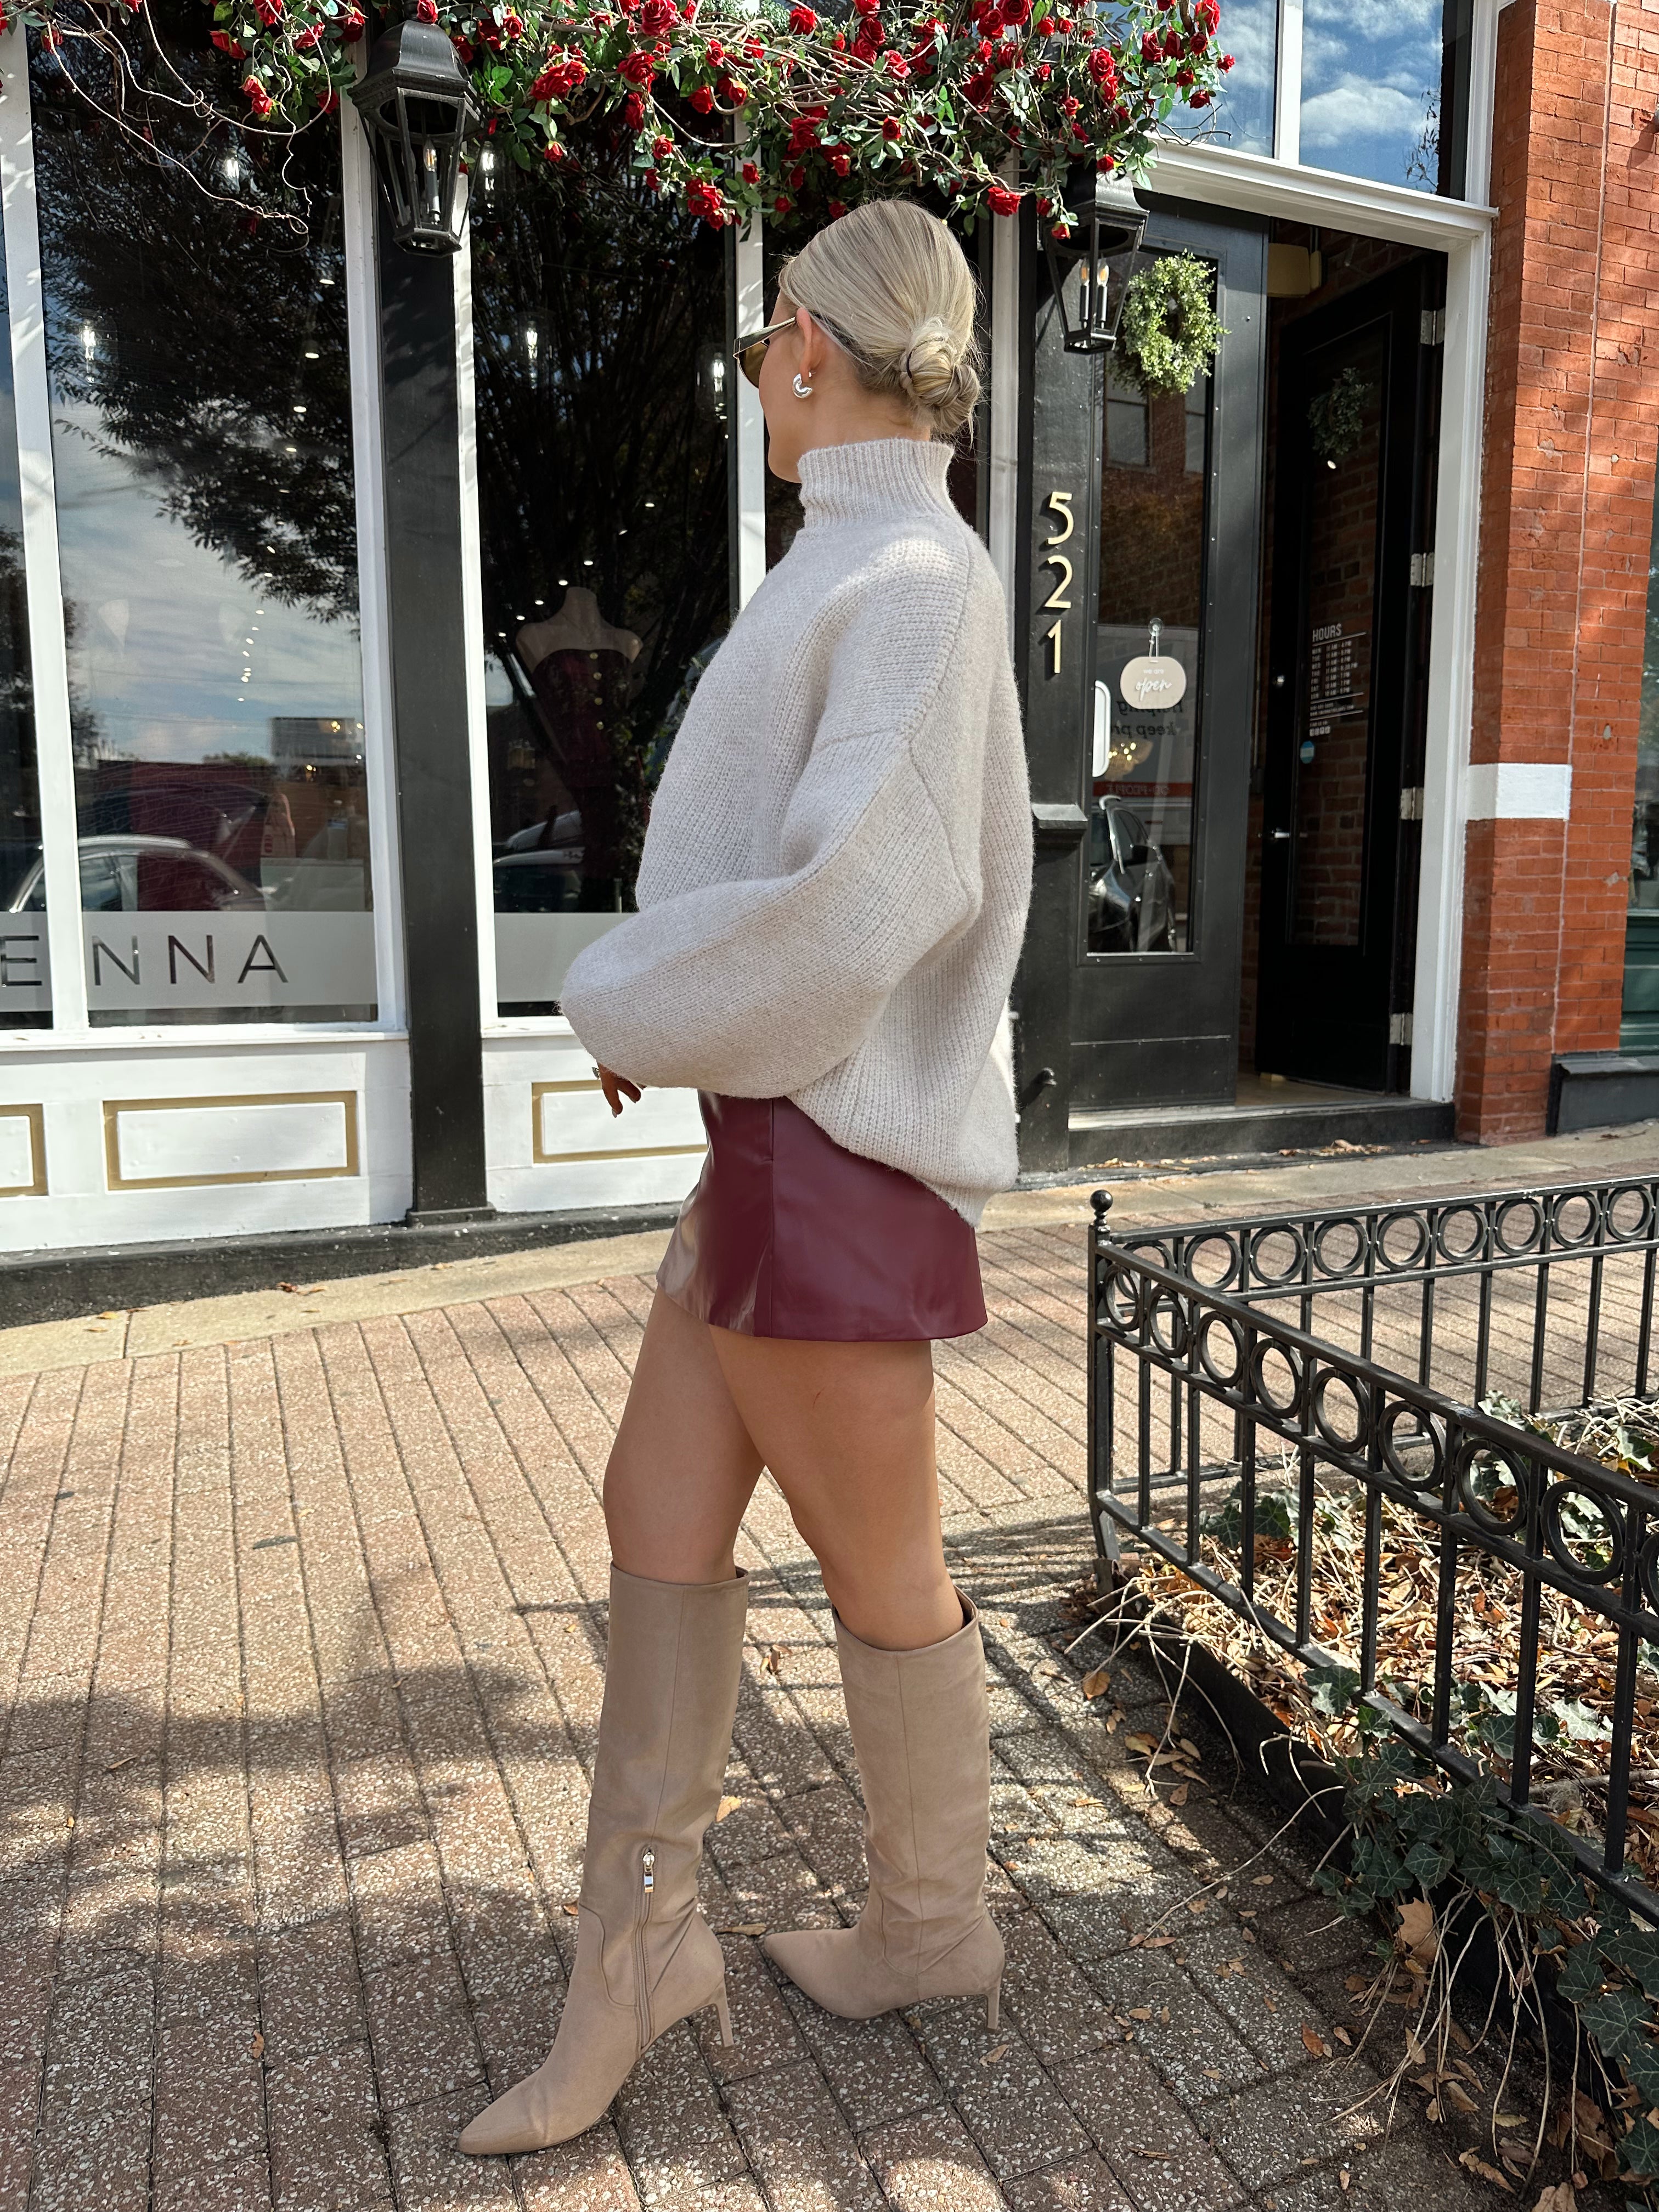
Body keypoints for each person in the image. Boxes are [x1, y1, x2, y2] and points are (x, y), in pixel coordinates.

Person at [458, 198, 1033, 2159]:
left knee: (883, 1571)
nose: (756, 370)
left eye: (763, 338)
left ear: (807, 342)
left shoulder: (919, 581)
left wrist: (628, 995)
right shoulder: (864, 560)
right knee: (657, 1508)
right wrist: (679, 1022)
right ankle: (646, 1957)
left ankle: (930, 1931)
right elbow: (802, 887)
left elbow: (863, 895)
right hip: (772, 1138)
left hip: (827, 1154)